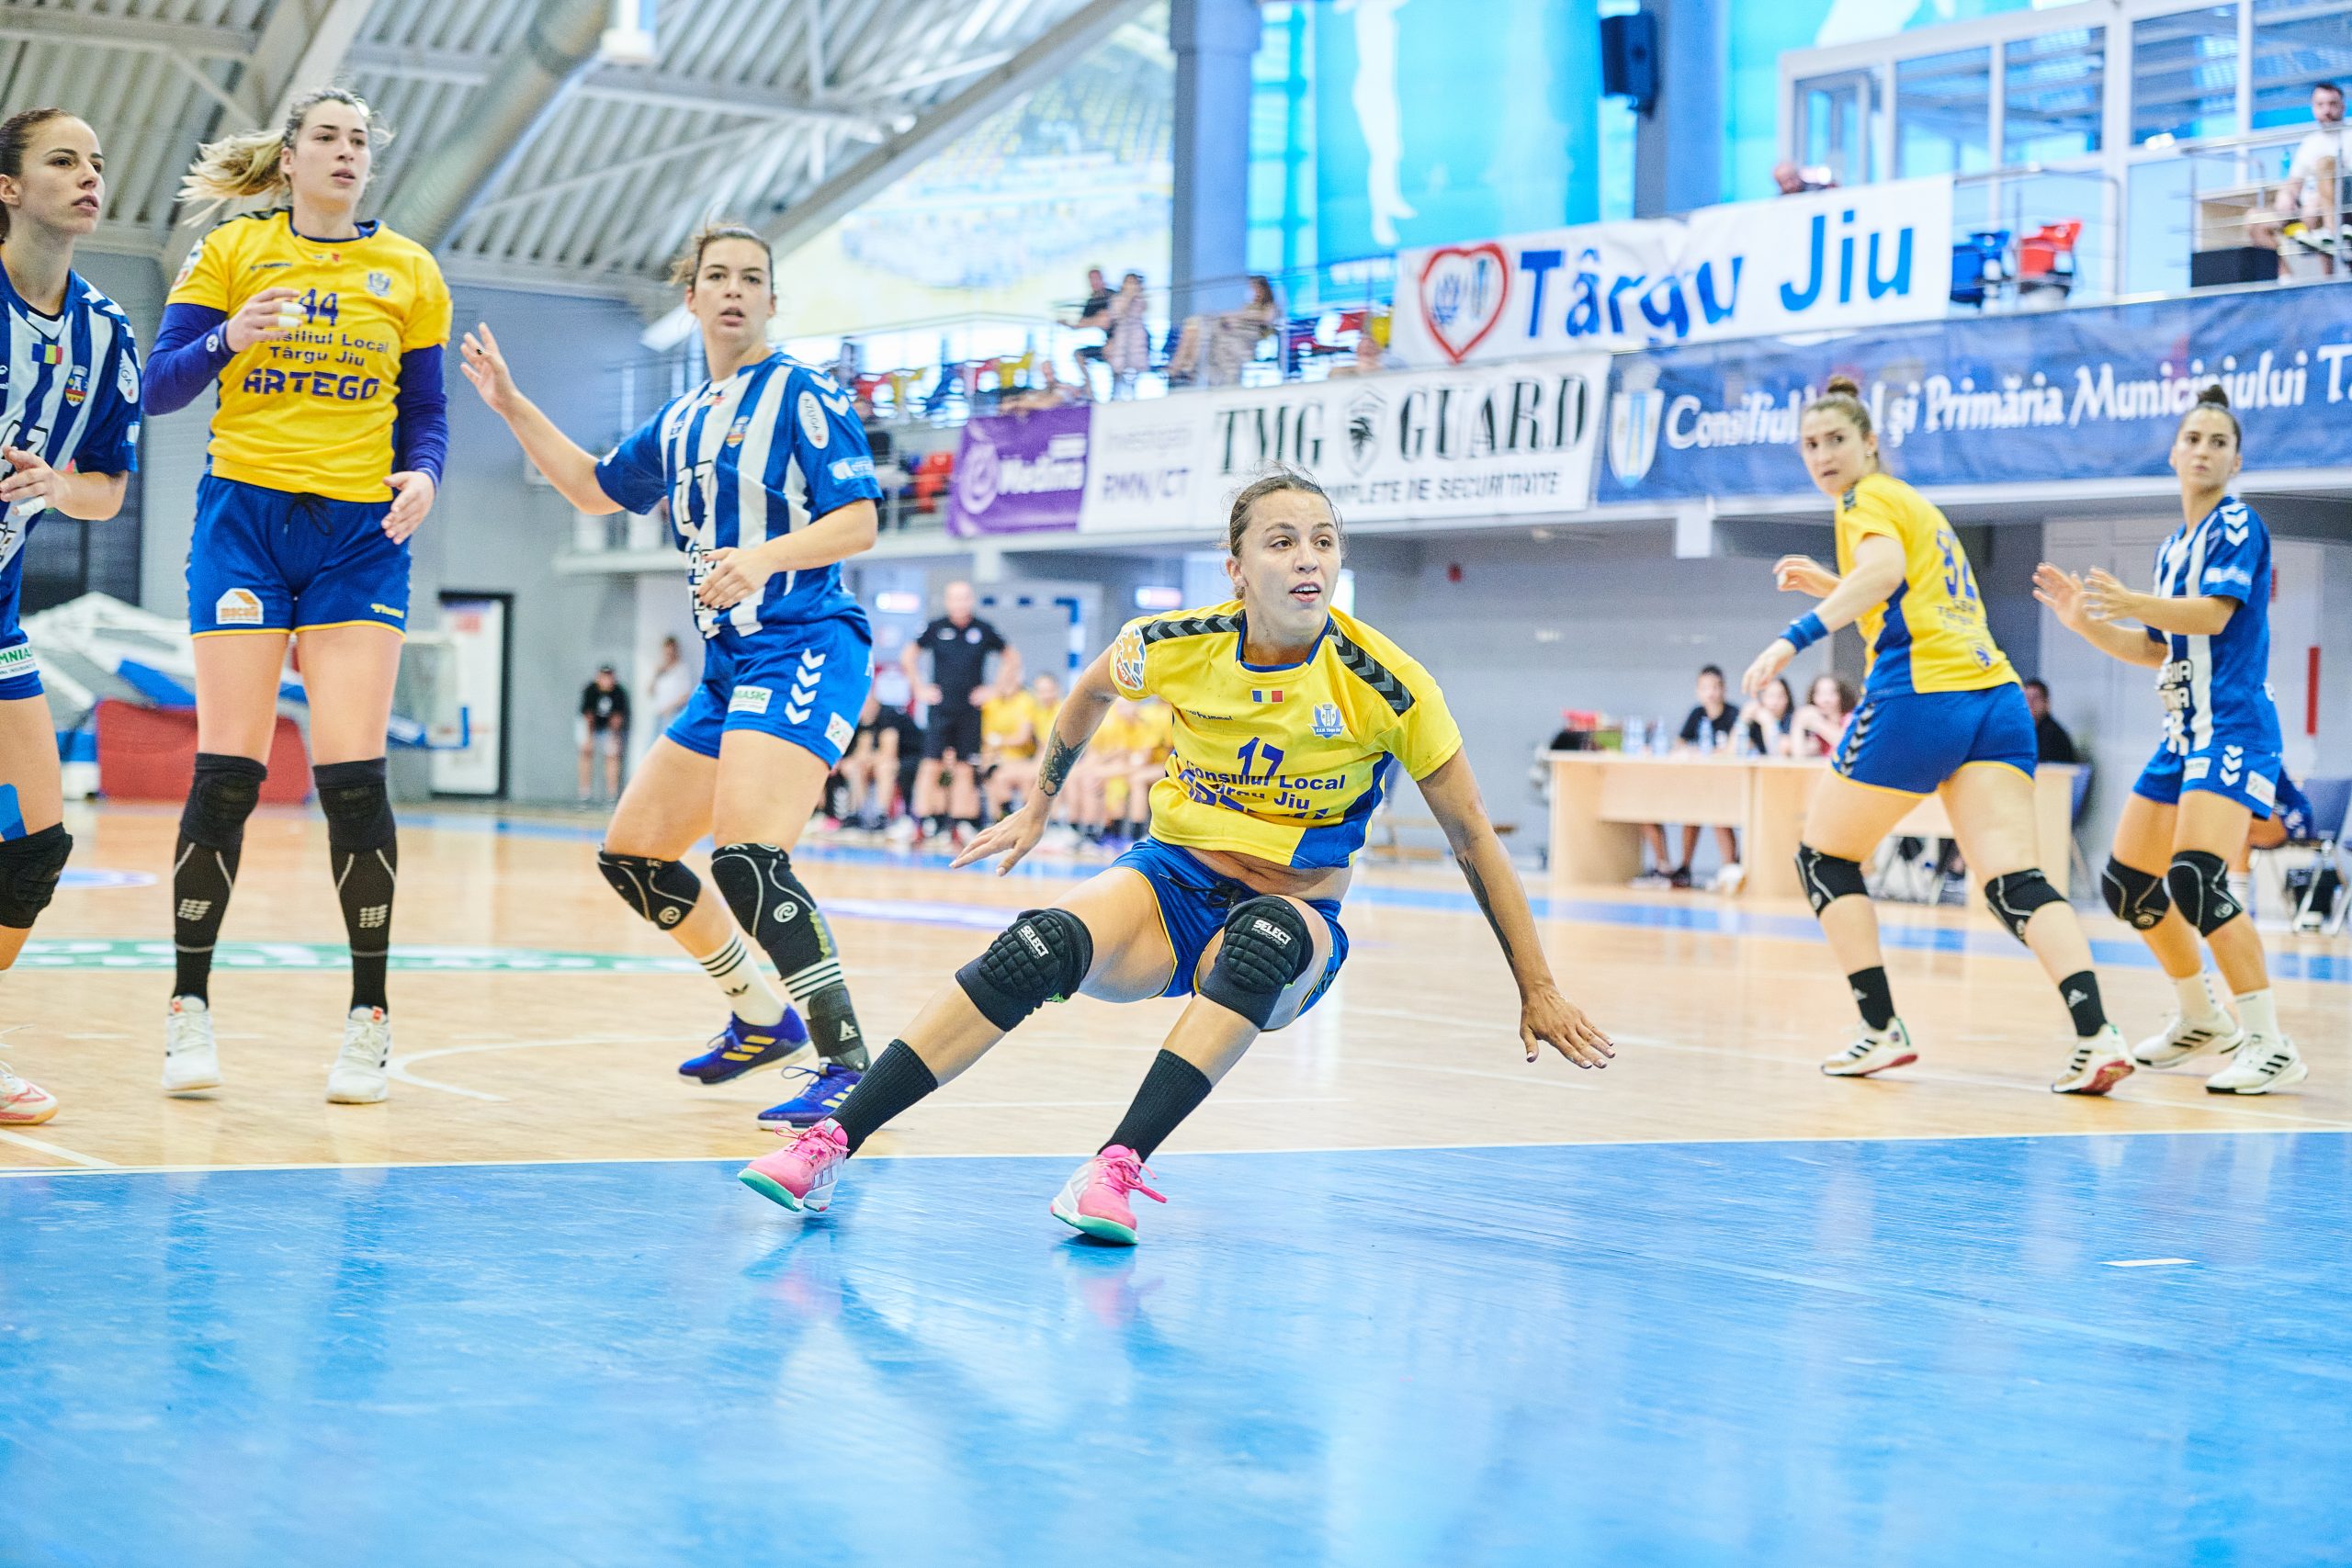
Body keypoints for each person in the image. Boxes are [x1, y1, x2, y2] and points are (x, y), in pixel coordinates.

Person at [737, 468, 1615, 1241]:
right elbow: (1089, 692)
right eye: (1282, 541)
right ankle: (830, 1143)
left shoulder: (1389, 685)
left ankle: (1112, 1169)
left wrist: (1537, 986)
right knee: (1034, 946)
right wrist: (1040, 805)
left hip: (1297, 913)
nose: (1308, 558)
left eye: (1323, 541)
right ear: (1237, 570)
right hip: (1169, 884)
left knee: (1262, 940)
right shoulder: (1174, 643)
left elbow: (1472, 837)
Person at [459, 219, 884, 1128]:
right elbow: (590, 488)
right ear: (690, 298)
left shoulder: (803, 393)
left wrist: (762, 559)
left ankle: (848, 1062)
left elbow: (858, 522)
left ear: (771, 301)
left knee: (747, 857)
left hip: (806, 644)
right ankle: (759, 1017)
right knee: (635, 856)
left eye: (751, 278)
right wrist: (511, 405)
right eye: (717, 276)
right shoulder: (683, 419)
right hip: (729, 666)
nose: (734, 290)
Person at [143, 87, 448, 1104]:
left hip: (360, 536)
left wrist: (426, 474)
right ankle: (189, 1008)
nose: (347, 152)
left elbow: (427, 411)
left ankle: (370, 1020)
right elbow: (159, 385)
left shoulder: (409, 270)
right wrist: (229, 337)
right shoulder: (231, 250)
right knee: (228, 770)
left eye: (360, 139)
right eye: (328, 136)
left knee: (352, 778)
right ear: (289, 157)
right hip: (245, 522)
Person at [1740, 374, 2127, 1093]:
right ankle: (2097, 1033)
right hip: (1996, 695)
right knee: (2015, 881)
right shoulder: (1913, 502)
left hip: (1922, 695)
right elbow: (1904, 589)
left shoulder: (1863, 499)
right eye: (1810, 444)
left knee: (1824, 857)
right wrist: (1829, 583)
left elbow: (1883, 572)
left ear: (1869, 443)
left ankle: (1880, 1027)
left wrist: (1794, 636)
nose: (1823, 455)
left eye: (1836, 440)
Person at [2034, 386, 2307, 1094]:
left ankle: (2269, 1041)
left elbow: (2213, 616)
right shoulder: (2171, 548)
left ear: (2236, 460)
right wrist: (2087, 622)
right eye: (2193, 439)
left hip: (2234, 726)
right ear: (2173, 453)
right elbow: (2158, 646)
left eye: (2219, 442)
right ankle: (2200, 1015)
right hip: (2183, 733)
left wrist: (2131, 601)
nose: (2204, 450)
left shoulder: (2237, 523)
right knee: (2127, 884)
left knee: (2196, 877)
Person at [0, 107, 143, 1128]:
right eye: (62, 160)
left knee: (35, 846)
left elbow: (108, 490)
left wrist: (55, 485)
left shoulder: (105, 332)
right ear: (9, 188)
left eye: (95, 161)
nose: (88, 175)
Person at [902, 581, 1018, 845]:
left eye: (964, 598)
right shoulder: (935, 628)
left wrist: (995, 690)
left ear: (971, 600)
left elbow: (1012, 658)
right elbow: (908, 656)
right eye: (955, 598)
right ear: (947, 601)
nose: (960, 603)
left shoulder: (983, 629)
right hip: (940, 708)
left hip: (970, 710)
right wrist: (918, 687)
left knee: (966, 767)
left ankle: (959, 824)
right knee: (931, 765)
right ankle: (922, 822)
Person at [1634, 664, 1740, 888]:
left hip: (1727, 785)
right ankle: (1675, 867)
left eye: (1715, 687)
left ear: (1723, 689)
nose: (1711, 693)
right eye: (1705, 688)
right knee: (1684, 810)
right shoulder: (1697, 714)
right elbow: (1679, 744)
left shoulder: (1734, 715)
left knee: (1719, 815)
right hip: (1696, 783)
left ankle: (1731, 869)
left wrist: (1708, 753)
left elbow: (1736, 749)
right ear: (1698, 691)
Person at [1167, 275, 1280, 389]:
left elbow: (1265, 319)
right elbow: (1236, 318)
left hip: (1246, 340)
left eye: (1256, 288)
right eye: (1252, 288)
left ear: (1264, 289)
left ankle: (1181, 368)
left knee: (1201, 326)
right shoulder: (1248, 307)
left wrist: (1241, 316)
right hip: (1231, 333)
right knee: (1193, 326)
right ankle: (1182, 366)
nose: (1254, 292)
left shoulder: (1270, 308)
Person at [987, 672, 1061, 821]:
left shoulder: (1062, 710)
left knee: (1030, 778)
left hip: (1059, 760)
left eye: (1048, 690)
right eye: (1040, 691)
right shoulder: (1037, 712)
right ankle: (1004, 820)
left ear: (1057, 690)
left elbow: (1052, 747)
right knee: (999, 777)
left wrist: (999, 741)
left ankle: (1037, 821)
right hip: (1036, 760)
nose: (1045, 696)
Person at [835, 693, 901, 832]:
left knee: (885, 768)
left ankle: (881, 816)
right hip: (871, 764)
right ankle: (856, 814)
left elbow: (889, 753)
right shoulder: (858, 722)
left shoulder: (887, 716)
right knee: (852, 767)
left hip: (904, 761)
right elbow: (858, 755)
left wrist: (869, 760)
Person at [577, 664, 629, 803]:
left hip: (608, 728)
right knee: (586, 753)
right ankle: (584, 793)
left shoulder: (618, 692)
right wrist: (589, 738)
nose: (607, 680)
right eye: (604, 677)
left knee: (612, 754)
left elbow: (617, 718)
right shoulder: (591, 690)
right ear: (598, 678)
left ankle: (612, 794)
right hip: (590, 726)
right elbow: (588, 716)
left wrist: (614, 738)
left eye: (609, 677)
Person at [1103, 272, 1149, 398]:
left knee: (1136, 365)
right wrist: (1128, 297)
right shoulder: (1117, 299)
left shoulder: (1139, 299)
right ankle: (1116, 395)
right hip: (1122, 335)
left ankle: (1135, 394)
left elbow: (1145, 308)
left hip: (1136, 335)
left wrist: (1138, 293)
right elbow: (1118, 314)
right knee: (1119, 366)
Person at [1066, 266, 1111, 393]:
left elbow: (1105, 322)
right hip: (1106, 345)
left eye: (1096, 279)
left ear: (1102, 279)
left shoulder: (1111, 296)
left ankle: (1115, 395)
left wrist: (1092, 321)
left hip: (1117, 345)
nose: (1094, 282)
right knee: (1079, 354)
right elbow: (1080, 324)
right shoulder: (1092, 301)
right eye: (1091, 279)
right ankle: (1090, 392)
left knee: (1112, 355)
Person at [1789, 673, 1856, 759]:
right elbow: (1799, 757)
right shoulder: (1816, 735)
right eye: (1820, 694)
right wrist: (1798, 722)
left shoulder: (1851, 718)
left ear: (1841, 696)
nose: (1826, 700)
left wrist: (1817, 723)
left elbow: (1847, 745)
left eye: (1831, 693)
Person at [2021, 678, 2077, 764]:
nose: (2030, 703)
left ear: (2046, 702)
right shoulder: (2022, 731)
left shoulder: (2054, 734)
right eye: (2027, 698)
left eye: (2035, 698)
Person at [1736, 676, 1795, 757]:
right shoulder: (1754, 722)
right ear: (1761, 697)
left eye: (1780, 696)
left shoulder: (1793, 720)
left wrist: (1769, 724)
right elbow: (1735, 754)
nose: (1775, 702)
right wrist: (1742, 721)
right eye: (1770, 696)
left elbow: (1779, 755)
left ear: (1787, 698)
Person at [648, 634, 695, 731]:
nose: (668, 655)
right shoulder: (659, 670)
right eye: (666, 652)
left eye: (671, 651)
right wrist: (655, 675)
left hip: (674, 714)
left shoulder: (682, 669)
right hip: (658, 715)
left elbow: (686, 696)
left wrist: (670, 708)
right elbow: (649, 691)